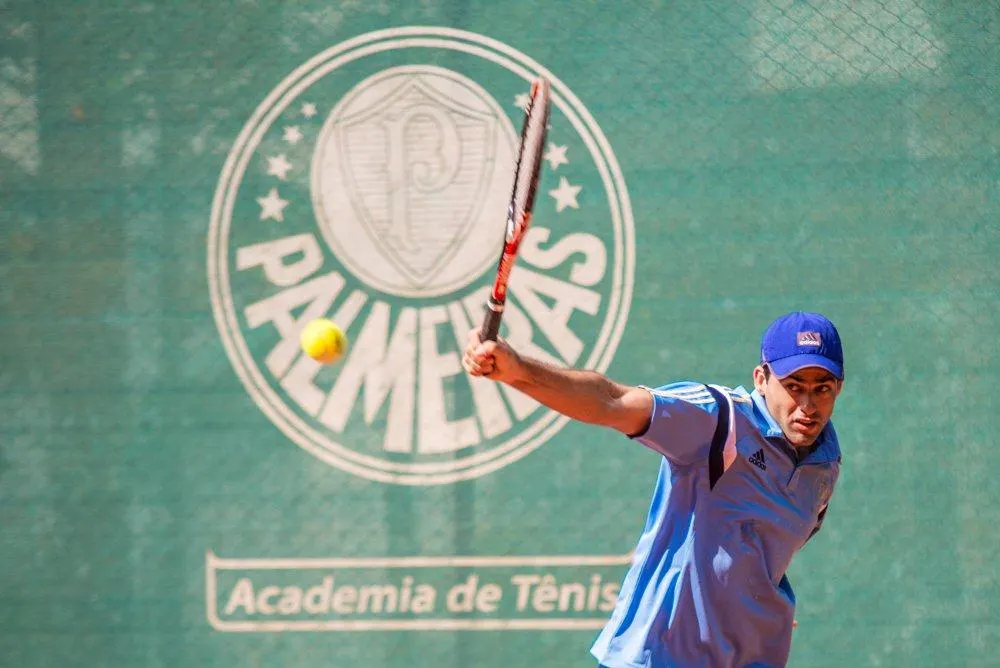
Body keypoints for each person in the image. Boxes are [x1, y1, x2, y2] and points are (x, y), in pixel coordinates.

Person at [462, 311, 845, 668]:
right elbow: (612, 400)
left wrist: (751, 606)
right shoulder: (720, 422)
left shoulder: (825, 465)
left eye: (822, 389)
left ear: (838, 388)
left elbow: (765, 550)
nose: (807, 404)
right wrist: (518, 371)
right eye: (793, 386)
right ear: (761, 379)